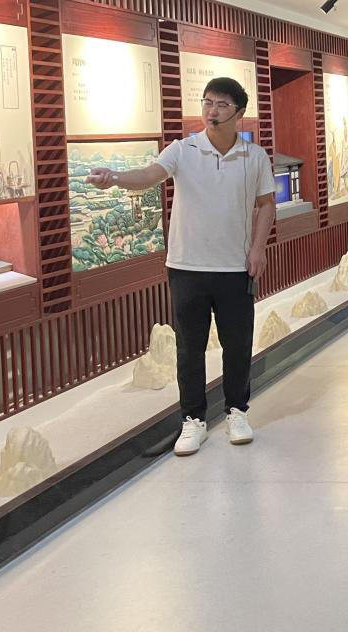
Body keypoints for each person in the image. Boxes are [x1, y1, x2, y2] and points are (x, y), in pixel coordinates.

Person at [87, 77, 274, 456]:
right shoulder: (183, 149)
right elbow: (149, 175)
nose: (211, 111)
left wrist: (258, 249)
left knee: (237, 344)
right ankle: (193, 419)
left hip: (235, 267)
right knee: (189, 347)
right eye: (207, 102)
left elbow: (266, 204)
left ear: (239, 112)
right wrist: (115, 178)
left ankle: (237, 411)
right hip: (187, 266)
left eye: (221, 104)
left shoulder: (254, 157)